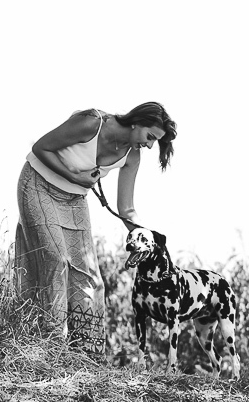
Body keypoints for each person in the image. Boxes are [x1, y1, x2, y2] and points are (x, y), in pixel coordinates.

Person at [14, 102, 175, 354]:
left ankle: (85, 353)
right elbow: (40, 148)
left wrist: (147, 236)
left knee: (89, 276)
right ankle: (49, 346)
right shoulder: (91, 122)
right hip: (38, 184)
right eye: (150, 137)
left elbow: (126, 208)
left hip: (74, 199)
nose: (150, 145)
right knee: (55, 260)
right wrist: (75, 177)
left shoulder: (131, 156)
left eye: (155, 141)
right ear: (137, 122)